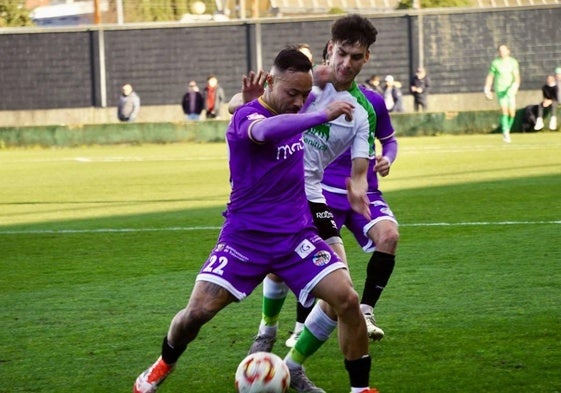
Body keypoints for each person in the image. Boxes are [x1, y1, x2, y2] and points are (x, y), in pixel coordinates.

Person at [132, 48, 378, 393]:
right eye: (291, 93)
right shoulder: (247, 120)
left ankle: (360, 389)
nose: (298, 102)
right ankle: (162, 364)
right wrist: (319, 114)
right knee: (196, 313)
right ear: (270, 83)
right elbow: (266, 131)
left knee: (347, 299)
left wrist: (313, 94)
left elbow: (289, 108)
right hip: (245, 239)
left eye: (304, 95)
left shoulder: (292, 106)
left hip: (296, 237)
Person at [246, 15, 380, 393]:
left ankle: (293, 366)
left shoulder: (362, 111)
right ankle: (266, 332)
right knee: (275, 267)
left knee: (344, 295)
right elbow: (241, 113)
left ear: (366, 58)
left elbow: (358, 170)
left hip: (313, 194)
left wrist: (357, 187)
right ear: (329, 49)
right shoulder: (303, 85)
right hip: (275, 191)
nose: (346, 63)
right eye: (341, 53)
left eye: (356, 56)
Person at [484, 44, 521, 143]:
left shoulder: (513, 62)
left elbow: (517, 77)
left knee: (512, 113)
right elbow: (490, 76)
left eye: (504, 50)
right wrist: (487, 89)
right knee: (504, 111)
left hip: (510, 91)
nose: (502, 52)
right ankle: (505, 133)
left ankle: (507, 129)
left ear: (508, 51)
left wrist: (515, 86)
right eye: (500, 50)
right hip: (500, 90)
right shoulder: (495, 63)